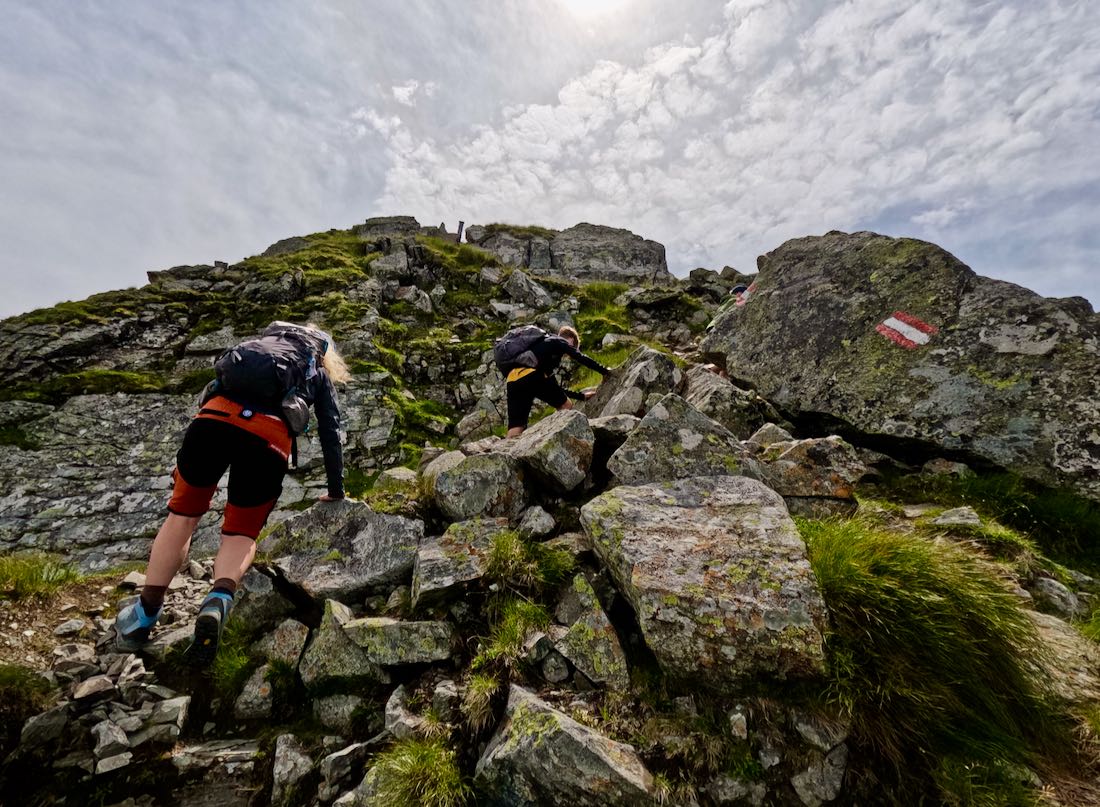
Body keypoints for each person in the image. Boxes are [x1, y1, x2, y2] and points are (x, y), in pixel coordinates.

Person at [114, 322, 349, 664]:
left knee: (183, 516)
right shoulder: (315, 370)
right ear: (324, 352)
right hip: (268, 438)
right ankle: (217, 599)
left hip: (211, 422)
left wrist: (185, 463)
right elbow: (331, 431)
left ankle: (142, 617)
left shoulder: (256, 346)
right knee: (241, 531)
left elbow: (211, 390)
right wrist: (336, 490)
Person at [505, 325, 610, 438]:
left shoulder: (542, 349)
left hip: (512, 379)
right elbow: (580, 357)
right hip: (531, 376)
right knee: (566, 406)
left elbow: (555, 388)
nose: (568, 351)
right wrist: (605, 371)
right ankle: (560, 441)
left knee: (516, 427)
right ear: (569, 339)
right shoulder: (558, 341)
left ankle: (505, 453)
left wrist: (582, 397)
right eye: (571, 346)